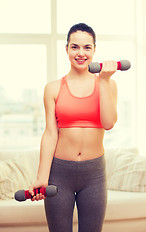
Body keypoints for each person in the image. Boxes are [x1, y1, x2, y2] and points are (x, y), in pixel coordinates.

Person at [29, 23, 118, 232]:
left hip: (94, 173)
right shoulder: (52, 88)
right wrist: (42, 177)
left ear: (95, 49)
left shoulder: (108, 84)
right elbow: (50, 134)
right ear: (66, 49)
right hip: (59, 173)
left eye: (87, 47)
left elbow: (109, 123)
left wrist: (104, 81)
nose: (81, 53)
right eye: (74, 47)